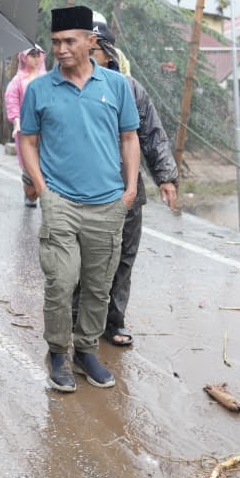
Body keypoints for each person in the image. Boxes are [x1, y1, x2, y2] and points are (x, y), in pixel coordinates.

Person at [19, 5, 139, 393]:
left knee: (98, 285)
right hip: (61, 203)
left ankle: (86, 351)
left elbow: (129, 137)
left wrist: (130, 190)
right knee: (61, 281)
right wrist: (41, 186)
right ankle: (57, 351)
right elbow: (28, 140)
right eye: (56, 42)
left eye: (70, 41)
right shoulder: (39, 88)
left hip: (108, 202)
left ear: (91, 41)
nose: (61, 49)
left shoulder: (116, 85)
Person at [82, 20, 178, 348]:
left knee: (124, 257)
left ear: (107, 53)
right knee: (85, 255)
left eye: (91, 48)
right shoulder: (69, 86)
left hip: (127, 189)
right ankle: (80, 317)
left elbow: (151, 134)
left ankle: (113, 320)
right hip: (84, 189)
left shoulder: (130, 88)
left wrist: (165, 177)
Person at [4, 45, 46, 208]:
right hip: (26, 130)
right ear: (23, 57)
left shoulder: (48, 79)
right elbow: (12, 103)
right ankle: (30, 190)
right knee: (28, 162)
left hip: (46, 130)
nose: (35, 58)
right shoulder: (18, 81)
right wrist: (17, 122)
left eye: (38, 54)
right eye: (31, 54)